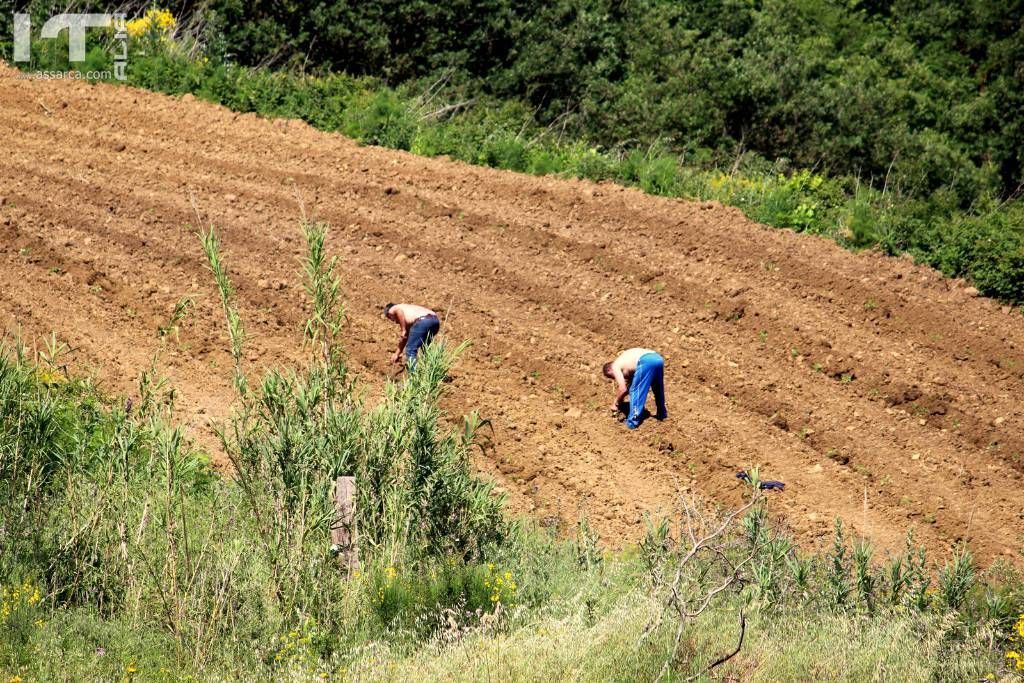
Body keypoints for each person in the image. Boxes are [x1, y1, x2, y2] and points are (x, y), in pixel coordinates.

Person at [603, 348, 667, 429]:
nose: (615, 378)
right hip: (658, 358)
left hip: (646, 360)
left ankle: (632, 422)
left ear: (609, 370)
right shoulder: (627, 362)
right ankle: (662, 414)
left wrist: (616, 403)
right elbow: (629, 386)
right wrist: (621, 398)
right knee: (658, 389)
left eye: (612, 377)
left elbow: (623, 389)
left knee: (635, 391)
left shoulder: (615, 366)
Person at [383, 303, 440, 368]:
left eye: (391, 318)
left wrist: (403, 329)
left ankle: (414, 375)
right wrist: (397, 354)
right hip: (435, 321)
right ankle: (430, 371)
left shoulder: (393, 309)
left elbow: (398, 311)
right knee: (425, 348)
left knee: (410, 349)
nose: (394, 321)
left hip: (423, 321)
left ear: (389, 314)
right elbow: (405, 337)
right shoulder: (409, 313)